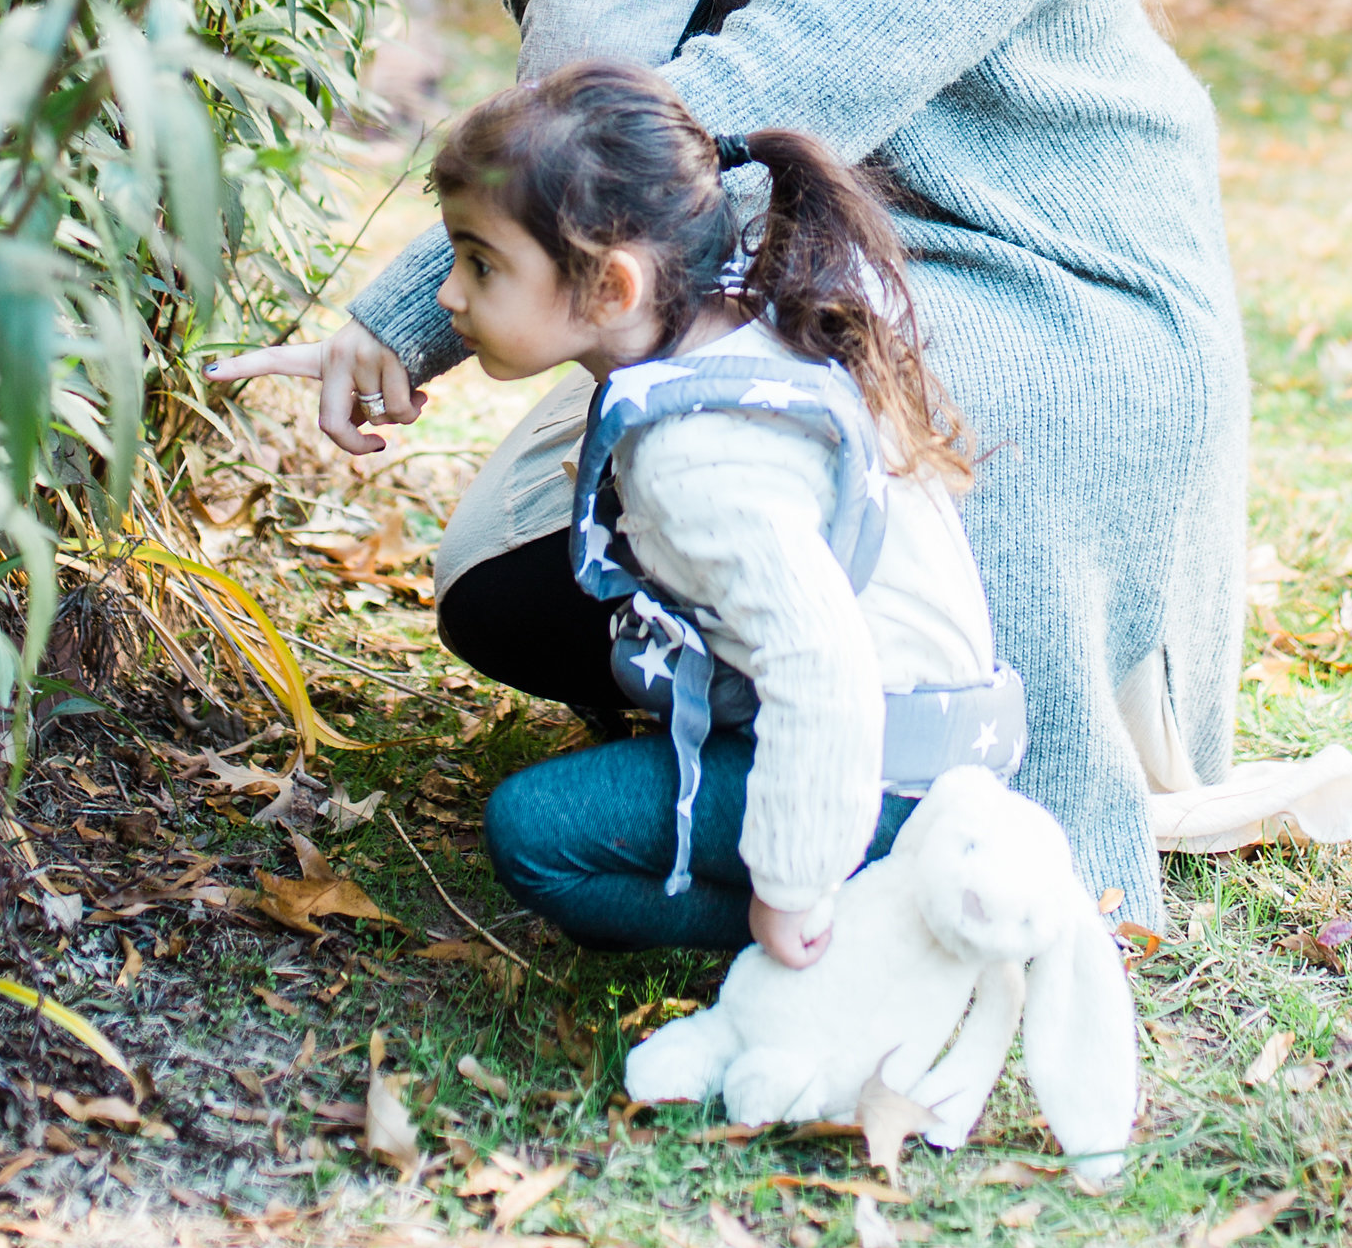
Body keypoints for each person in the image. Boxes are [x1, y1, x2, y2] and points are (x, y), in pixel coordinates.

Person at [216, 0, 1246, 931]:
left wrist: (410, 316)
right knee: (524, 550)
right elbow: (626, 63)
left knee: (795, 452)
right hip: (816, 268)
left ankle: (935, 838)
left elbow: (763, 89)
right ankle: (779, 721)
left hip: (1051, 292)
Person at [422, 60, 1021, 955]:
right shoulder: (754, 316)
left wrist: (790, 886)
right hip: (940, 743)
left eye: (480, 264)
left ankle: (865, 933)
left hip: (881, 774)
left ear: (612, 288)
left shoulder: (695, 458)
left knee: (533, 835)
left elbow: (823, 673)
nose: (449, 295)